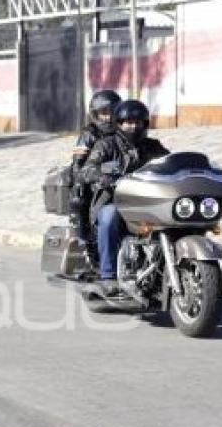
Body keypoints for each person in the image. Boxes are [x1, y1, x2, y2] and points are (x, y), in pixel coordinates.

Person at [81, 99, 170, 294]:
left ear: (144, 124)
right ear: (119, 124)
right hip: (114, 201)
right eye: (128, 122)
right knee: (109, 216)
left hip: (146, 203)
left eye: (137, 122)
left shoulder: (153, 146)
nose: (133, 126)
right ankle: (108, 276)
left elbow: (169, 163)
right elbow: (87, 169)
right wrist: (102, 177)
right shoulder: (106, 145)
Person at [71, 90, 121, 241]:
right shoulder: (88, 134)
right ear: (95, 115)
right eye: (104, 113)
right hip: (94, 179)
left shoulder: (123, 132)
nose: (108, 118)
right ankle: (84, 238)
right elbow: (77, 164)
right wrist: (86, 179)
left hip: (118, 177)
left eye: (112, 112)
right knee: (79, 198)